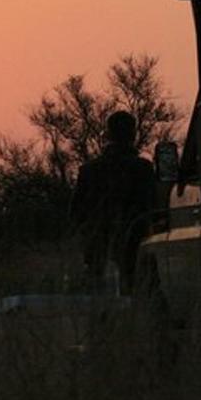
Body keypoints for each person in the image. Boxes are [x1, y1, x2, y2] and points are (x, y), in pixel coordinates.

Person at [69, 110, 156, 293]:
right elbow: (152, 206)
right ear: (133, 134)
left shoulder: (89, 170)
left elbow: (75, 213)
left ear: (108, 134)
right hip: (134, 246)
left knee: (96, 295)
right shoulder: (143, 169)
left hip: (98, 248)